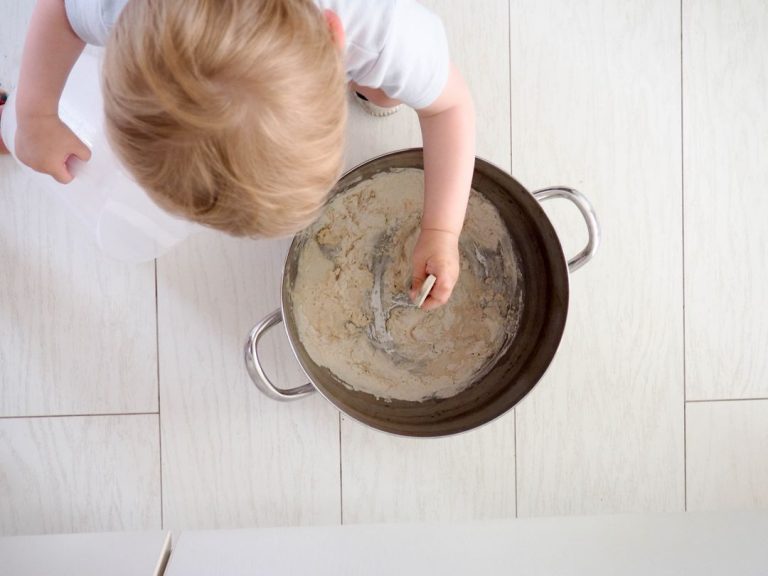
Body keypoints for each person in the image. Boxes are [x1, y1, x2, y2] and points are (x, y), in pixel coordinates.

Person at [4, 0, 475, 309]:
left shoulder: (384, 33)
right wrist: (34, 113)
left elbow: (449, 106)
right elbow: (62, 12)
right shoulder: (118, 8)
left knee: (390, 87)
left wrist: (441, 228)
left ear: (335, 37)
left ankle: (378, 92)